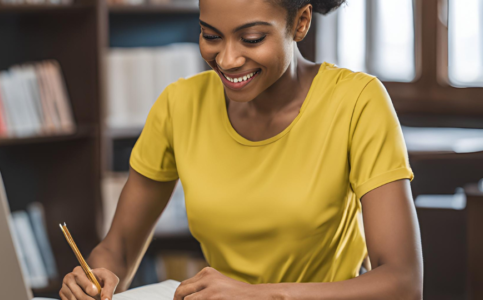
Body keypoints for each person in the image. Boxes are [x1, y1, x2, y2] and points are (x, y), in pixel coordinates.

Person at [60, 0, 423, 299]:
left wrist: (260, 295)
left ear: (300, 23)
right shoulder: (180, 104)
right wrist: (96, 277)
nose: (227, 59)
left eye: (251, 39)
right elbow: (119, 246)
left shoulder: (357, 102)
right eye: (210, 36)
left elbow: (403, 282)